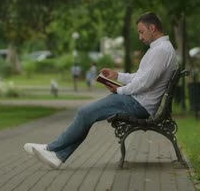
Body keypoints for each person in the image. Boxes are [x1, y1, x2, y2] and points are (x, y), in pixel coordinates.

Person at [24, 12, 178, 169]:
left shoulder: (161, 51)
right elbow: (140, 77)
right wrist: (116, 75)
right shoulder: (160, 49)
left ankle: (51, 149)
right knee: (87, 114)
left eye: (141, 31)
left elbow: (144, 83)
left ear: (152, 28)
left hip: (138, 104)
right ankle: (57, 155)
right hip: (137, 101)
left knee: (85, 112)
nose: (140, 37)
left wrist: (119, 90)